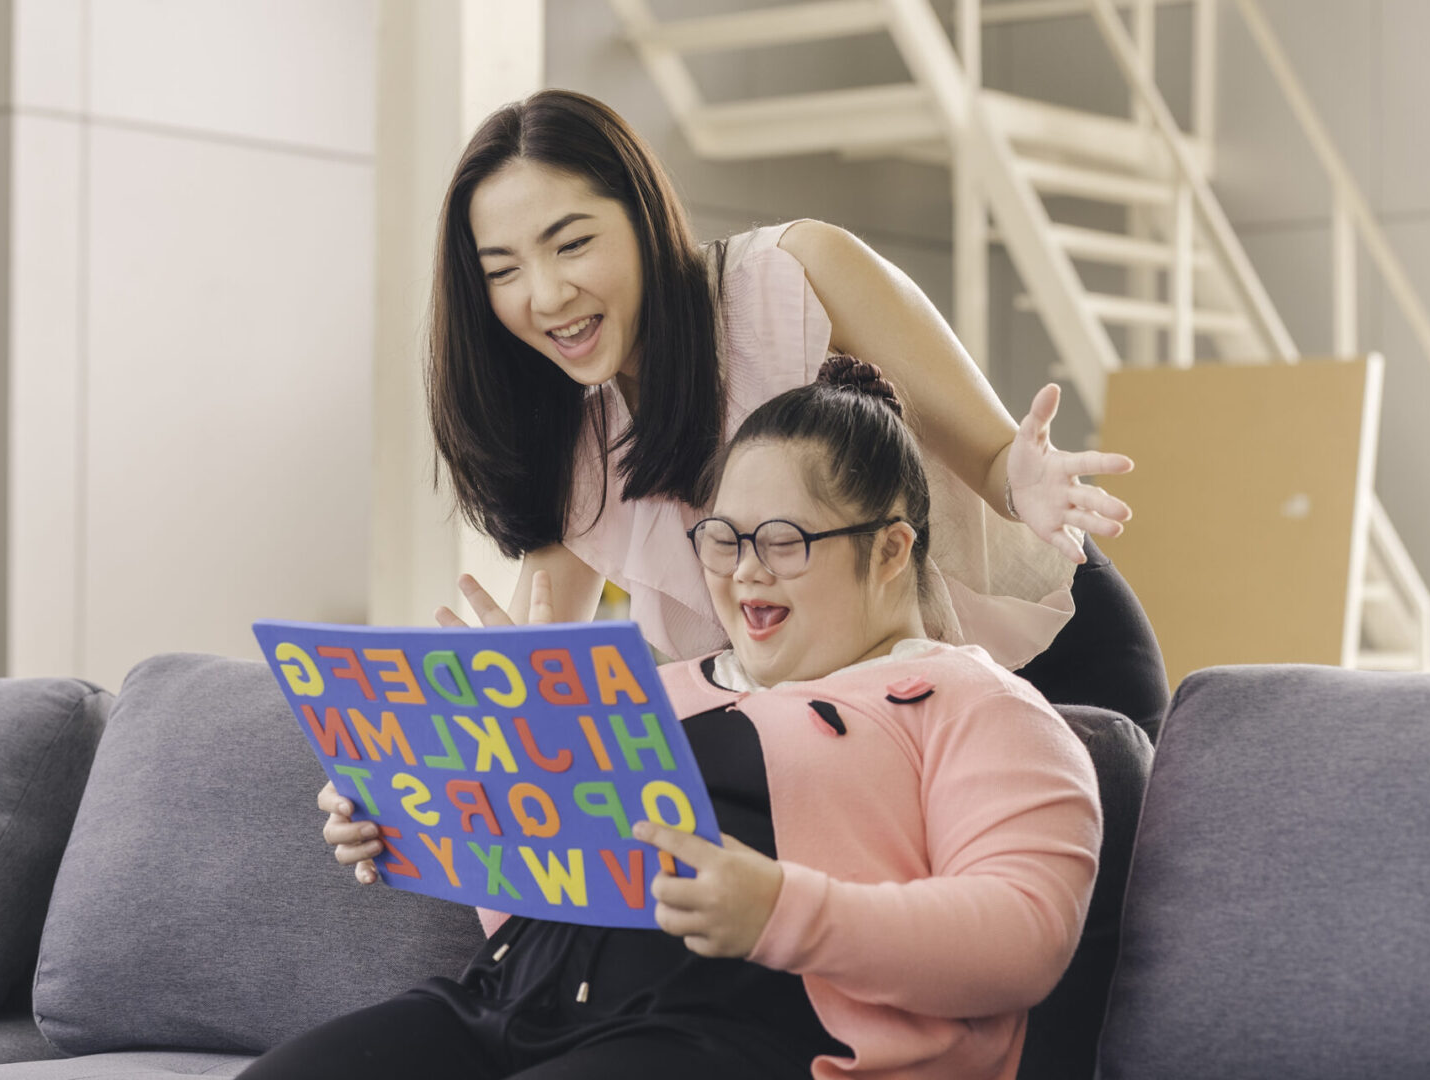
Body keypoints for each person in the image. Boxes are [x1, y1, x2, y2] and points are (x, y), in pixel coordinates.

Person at [259, 358, 1100, 1079]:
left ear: (889, 549)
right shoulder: (653, 690)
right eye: (723, 540)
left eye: (781, 541)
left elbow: (1024, 937)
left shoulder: (974, 705)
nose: (742, 575)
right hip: (503, 1002)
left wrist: (779, 909)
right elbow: (551, 896)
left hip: (739, 1036)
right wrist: (427, 805)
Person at [426, 88, 1168, 739]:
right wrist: (447, 745)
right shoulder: (579, 449)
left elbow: (995, 457)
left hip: (1045, 666)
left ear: (643, 216)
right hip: (881, 729)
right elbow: (529, 685)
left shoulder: (793, 277)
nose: (547, 294)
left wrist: (1023, 481)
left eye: (574, 243)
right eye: (504, 271)